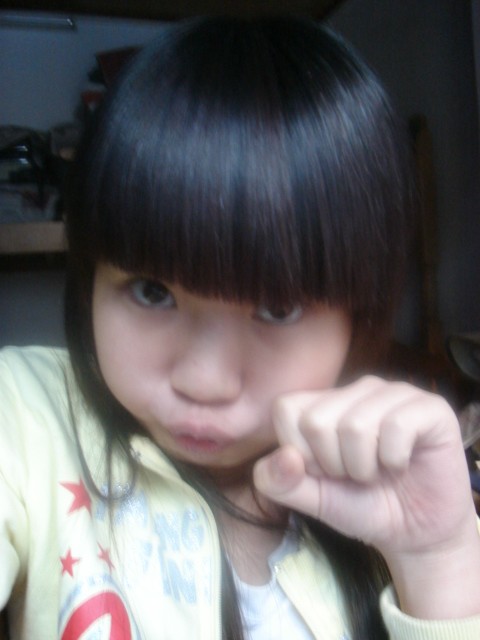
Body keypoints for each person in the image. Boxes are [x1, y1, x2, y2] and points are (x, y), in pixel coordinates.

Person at [0, 15, 479, 640]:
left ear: (357, 318)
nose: (204, 381)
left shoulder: (383, 484)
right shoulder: (25, 416)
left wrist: (437, 558)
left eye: (277, 309)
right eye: (151, 292)